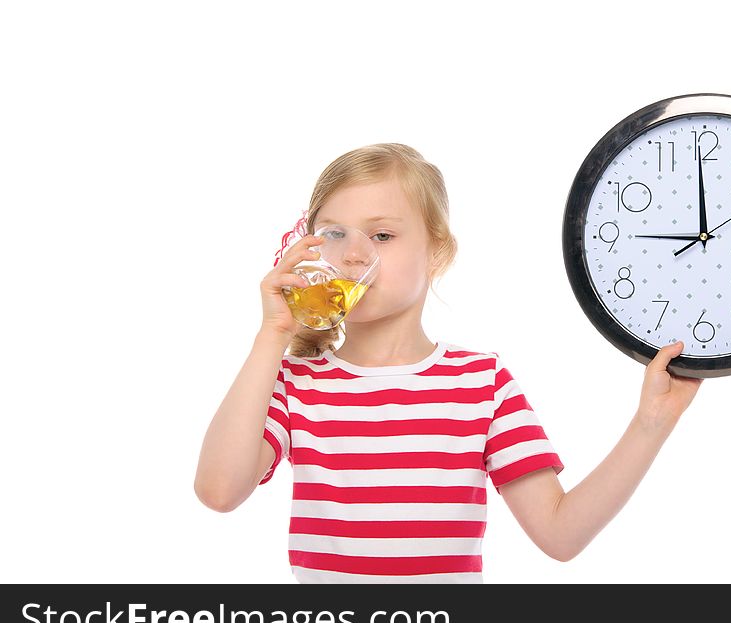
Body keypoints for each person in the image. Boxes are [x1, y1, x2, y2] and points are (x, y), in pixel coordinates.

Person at [194, 143, 703, 583]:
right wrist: (273, 334)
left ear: (436, 251)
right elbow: (218, 491)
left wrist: (651, 423)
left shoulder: (482, 383)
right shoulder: (297, 383)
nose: (354, 255)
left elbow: (560, 534)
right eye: (333, 234)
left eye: (382, 236)